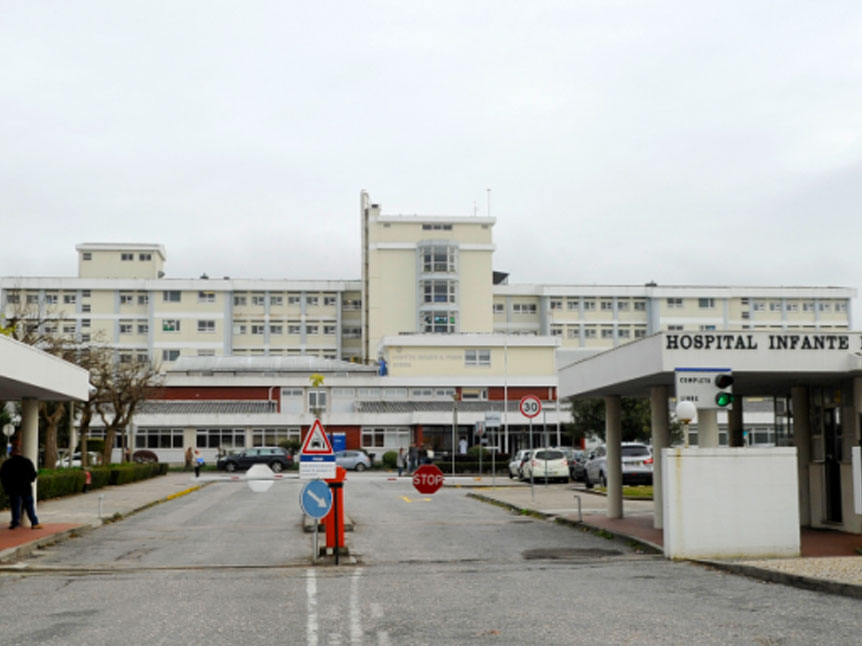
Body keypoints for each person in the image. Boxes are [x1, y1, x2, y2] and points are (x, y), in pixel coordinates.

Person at [0, 445, 42, 530]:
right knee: (29, 505)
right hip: (25, 488)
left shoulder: (7, 463)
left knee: (15, 506)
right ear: (20, 452)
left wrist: (7, 487)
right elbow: (33, 475)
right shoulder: (27, 462)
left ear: (12, 453)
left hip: (13, 489)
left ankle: (15, 523)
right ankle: (34, 522)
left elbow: (3, 476)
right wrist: (30, 480)